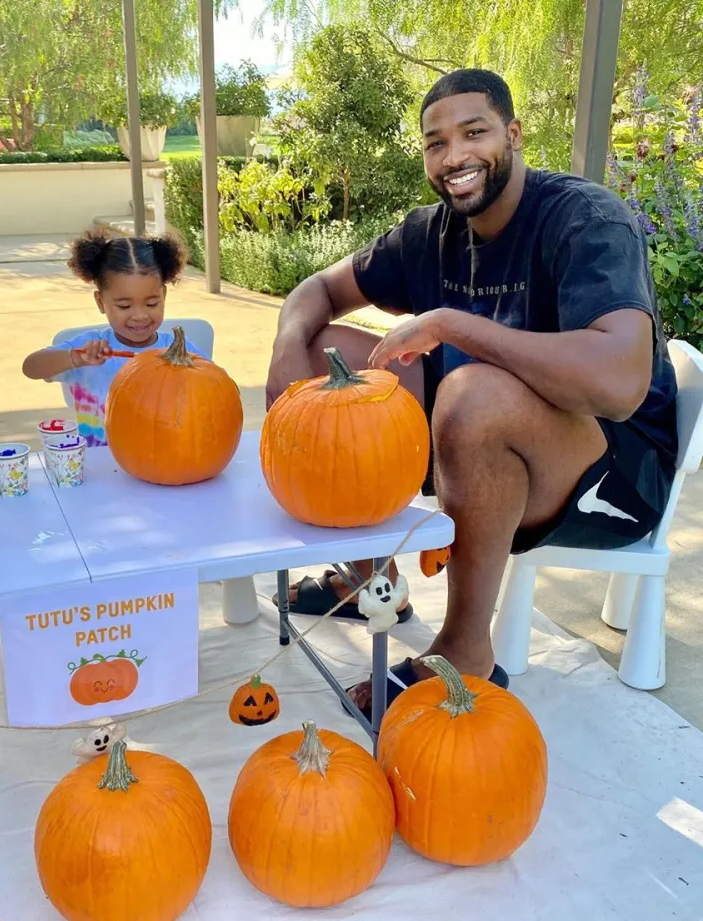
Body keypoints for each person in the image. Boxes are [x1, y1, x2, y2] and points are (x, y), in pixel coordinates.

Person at [265, 68, 678, 720]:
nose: (454, 155)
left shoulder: (585, 220)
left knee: (470, 395)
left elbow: (620, 386)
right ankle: (373, 573)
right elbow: (316, 291)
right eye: (436, 142)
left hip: (616, 473)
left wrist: (453, 326)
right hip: (493, 434)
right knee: (333, 355)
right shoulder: (428, 236)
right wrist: (288, 351)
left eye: (474, 132)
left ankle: (464, 648)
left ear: (513, 135)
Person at [23, 228, 198, 446]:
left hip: (167, 458)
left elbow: (216, 390)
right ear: (100, 302)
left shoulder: (179, 349)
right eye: (124, 306)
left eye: (152, 303)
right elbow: (30, 367)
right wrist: (75, 359)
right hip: (101, 467)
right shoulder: (86, 349)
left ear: (163, 295)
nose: (140, 315)